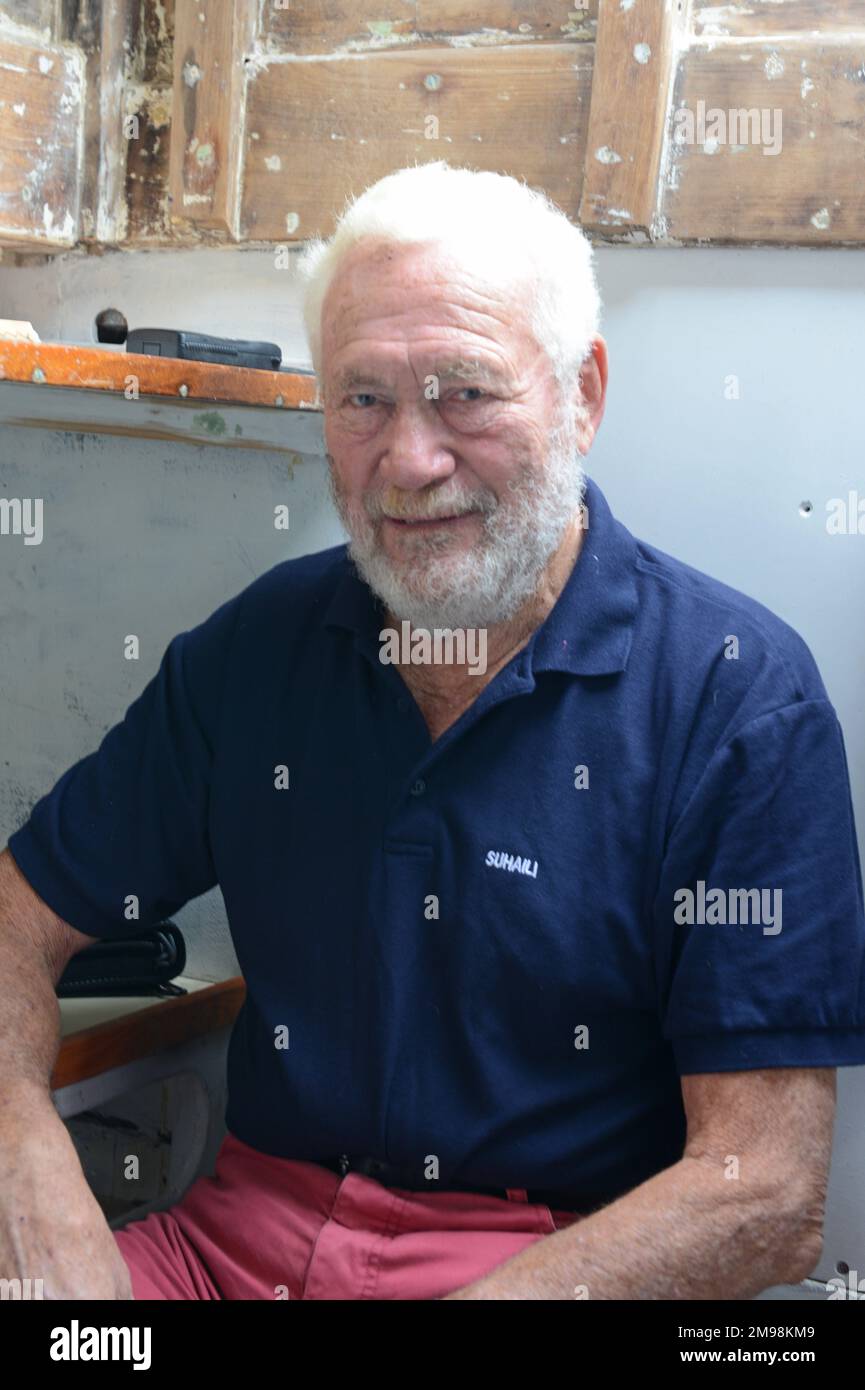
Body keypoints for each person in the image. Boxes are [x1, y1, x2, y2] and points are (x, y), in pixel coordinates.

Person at [1, 161, 863, 1300]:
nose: (409, 461)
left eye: (466, 391)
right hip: (228, 1251)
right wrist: (29, 1173)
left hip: (554, 1267)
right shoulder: (263, 645)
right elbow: (20, 919)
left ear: (582, 395)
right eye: (363, 398)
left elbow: (764, 1193)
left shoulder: (735, 695)